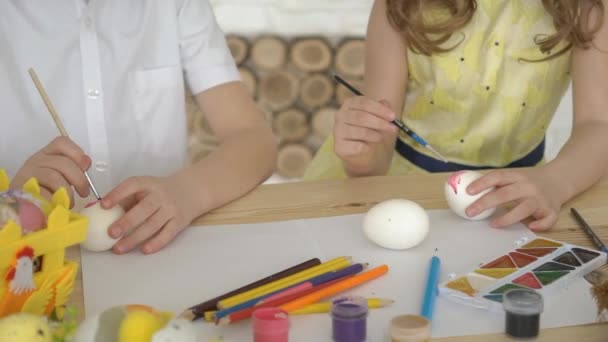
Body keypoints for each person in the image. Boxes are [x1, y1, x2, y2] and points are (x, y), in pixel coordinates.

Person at [304, 0, 608, 231]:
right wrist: (361, 153)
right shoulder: (401, 4)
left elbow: (598, 124)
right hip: (397, 187)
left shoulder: (586, 6)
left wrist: (557, 181)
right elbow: (376, 150)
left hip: (520, 194)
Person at [1, 1, 277, 254]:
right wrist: (7, 204)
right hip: (27, 261)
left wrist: (189, 192)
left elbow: (253, 140)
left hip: (156, 253)